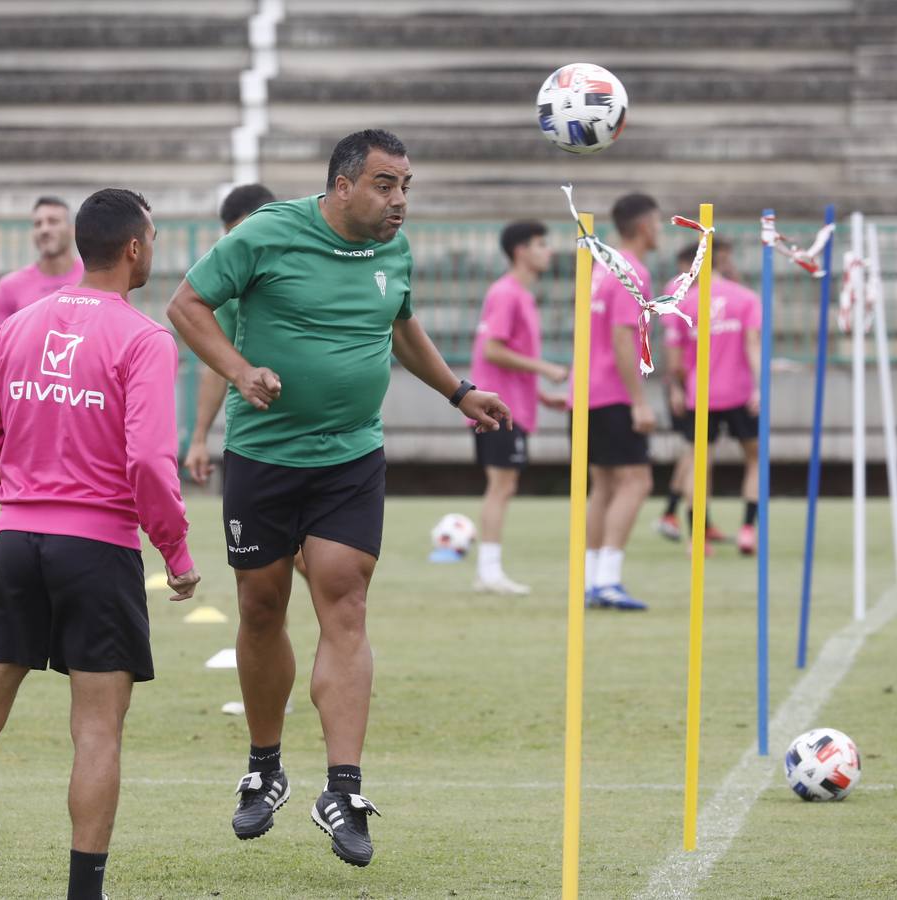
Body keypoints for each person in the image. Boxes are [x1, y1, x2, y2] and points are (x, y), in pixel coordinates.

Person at [166, 129, 509, 868]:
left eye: (407, 186)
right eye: (386, 185)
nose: (399, 201)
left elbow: (403, 327)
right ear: (342, 185)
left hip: (352, 457)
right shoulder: (265, 235)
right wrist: (239, 368)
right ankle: (264, 767)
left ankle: (343, 789)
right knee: (261, 605)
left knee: (344, 599)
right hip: (262, 457)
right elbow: (187, 305)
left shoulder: (395, 251)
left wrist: (460, 392)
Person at [0, 189, 199, 900]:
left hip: (16, 542)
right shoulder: (145, 339)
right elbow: (149, 464)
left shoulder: (21, 323)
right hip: (98, 550)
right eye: (153, 239)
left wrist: (21, 497)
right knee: (97, 730)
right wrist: (177, 553)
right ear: (134, 248)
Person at [467, 219, 567, 595]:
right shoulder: (506, 293)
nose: (549, 251)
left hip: (513, 405)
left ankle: (489, 569)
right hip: (497, 408)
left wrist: (539, 395)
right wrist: (544, 369)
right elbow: (493, 349)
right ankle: (488, 571)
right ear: (521, 250)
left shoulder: (520, 295)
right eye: (542, 244)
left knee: (505, 485)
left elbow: (502, 354)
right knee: (501, 485)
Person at [576, 193, 663, 612]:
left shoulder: (600, 266)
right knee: (636, 481)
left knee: (605, 484)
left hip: (588, 391)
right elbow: (622, 336)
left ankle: (594, 578)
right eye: (659, 223)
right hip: (611, 393)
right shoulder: (632, 269)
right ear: (646, 226)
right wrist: (639, 402)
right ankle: (607, 580)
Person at [664, 239, 763, 556]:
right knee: (754, 460)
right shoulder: (746, 298)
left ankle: (697, 537)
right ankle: (748, 529)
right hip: (740, 392)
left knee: (698, 463)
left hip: (700, 393)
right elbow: (752, 346)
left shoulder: (683, 300)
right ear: (721, 261)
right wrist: (762, 387)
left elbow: (675, 359)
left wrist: (677, 389)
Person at [183, 183, 277, 487]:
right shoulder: (233, 289)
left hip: (324, 438)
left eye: (240, 232)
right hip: (255, 434)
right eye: (229, 235)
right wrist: (199, 439)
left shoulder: (315, 263)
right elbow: (217, 363)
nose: (234, 244)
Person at [656, 243, 728, 546]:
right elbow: (671, 344)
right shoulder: (680, 291)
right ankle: (675, 515)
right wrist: (676, 387)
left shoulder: (707, 291)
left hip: (702, 383)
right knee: (696, 453)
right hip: (687, 384)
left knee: (700, 453)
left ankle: (688, 516)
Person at [0, 196, 85, 338]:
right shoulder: (9, 286)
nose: (44, 229)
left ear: (72, 229)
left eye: (53, 221)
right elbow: (0, 348)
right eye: (38, 224)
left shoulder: (99, 276)